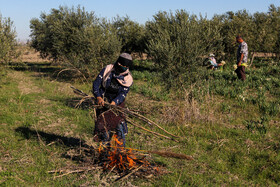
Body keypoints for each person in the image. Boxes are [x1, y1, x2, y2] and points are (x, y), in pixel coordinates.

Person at [92, 53, 133, 147]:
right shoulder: (108, 69)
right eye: (121, 65)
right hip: (103, 103)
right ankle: (104, 152)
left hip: (117, 106)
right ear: (118, 62)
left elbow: (123, 94)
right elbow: (96, 84)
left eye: (125, 66)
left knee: (119, 129)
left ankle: (120, 152)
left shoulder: (128, 78)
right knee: (104, 130)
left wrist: (114, 102)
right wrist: (98, 97)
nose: (122, 67)